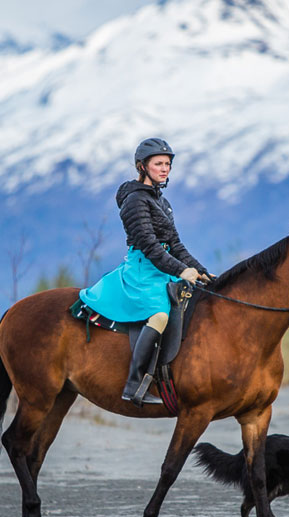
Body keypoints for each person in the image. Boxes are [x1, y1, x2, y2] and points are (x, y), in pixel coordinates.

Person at [79, 138, 214, 405]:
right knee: (160, 315)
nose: (165, 169)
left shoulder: (162, 201)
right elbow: (150, 246)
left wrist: (200, 271)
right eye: (158, 164)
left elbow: (175, 245)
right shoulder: (134, 200)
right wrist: (181, 269)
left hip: (163, 266)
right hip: (142, 268)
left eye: (168, 164)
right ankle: (134, 383)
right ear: (143, 166)